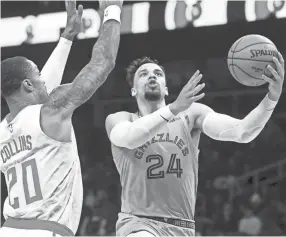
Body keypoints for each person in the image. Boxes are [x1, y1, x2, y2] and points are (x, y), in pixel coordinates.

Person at [105, 54, 284, 236]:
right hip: (138, 223)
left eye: (158, 73)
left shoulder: (190, 114)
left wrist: (271, 99)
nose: (152, 76)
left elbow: (242, 132)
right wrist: (173, 108)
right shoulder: (120, 119)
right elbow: (130, 138)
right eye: (143, 74)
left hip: (183, 227)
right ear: (133, 90)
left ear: (166, 89)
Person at [0, 0, 123, 236]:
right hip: (47, 230)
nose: (44, 79)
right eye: (38, 74)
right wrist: (112, 11)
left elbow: (38, 94)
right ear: (27, 84)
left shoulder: (4, 132)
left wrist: (67, 38)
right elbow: (103, 63)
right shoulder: (52, 112)